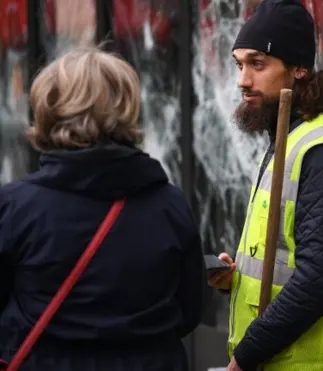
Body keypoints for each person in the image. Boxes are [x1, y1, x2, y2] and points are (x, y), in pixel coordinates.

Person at [0, 48, 207, 370]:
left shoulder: (15, 208)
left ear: (47, 109)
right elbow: (190, 310)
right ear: (128, 108)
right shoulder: (170, 205)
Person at [207, 0, 323, 370]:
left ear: (299, 69)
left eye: (257, 63)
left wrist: (246, 356)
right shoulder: (286, 140)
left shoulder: (322, 153)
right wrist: (235, 279)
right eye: (239, 64)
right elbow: (285, 260)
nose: (242, 80)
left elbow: (317, 281)